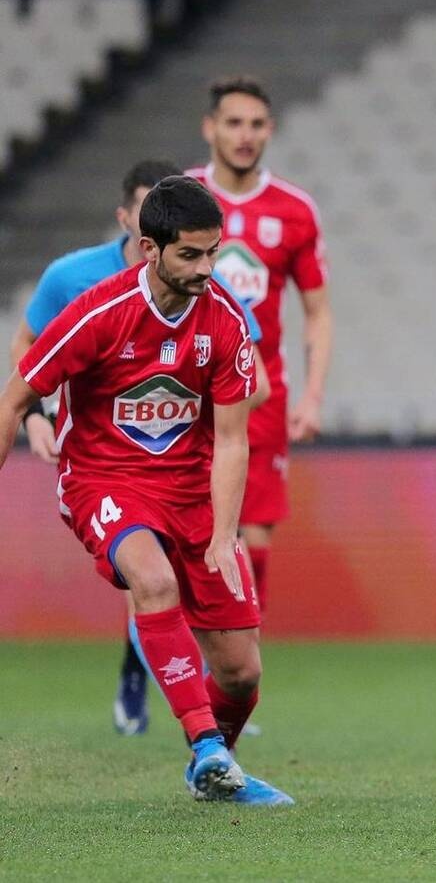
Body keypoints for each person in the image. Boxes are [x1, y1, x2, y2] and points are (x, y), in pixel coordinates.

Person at [0, 175, 291, 805]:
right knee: (152, 582)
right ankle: (206, 745)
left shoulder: (225, 320)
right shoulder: (99, 312)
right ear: (149, 248)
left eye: (213, 252)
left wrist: (220, 533)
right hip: (103, 480)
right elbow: (19, 394)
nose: (207, 268)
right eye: (191, 254)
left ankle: (215, 771)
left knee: (242, 673)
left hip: (191, 491)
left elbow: (234, 439)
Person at [188, 76, 331, 613]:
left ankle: (237, 660)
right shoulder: (181, 199)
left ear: (270, 130)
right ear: (210, 128)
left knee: (257, 537)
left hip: (259, 390)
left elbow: (318, 312)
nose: (244, 136)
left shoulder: (293, 210)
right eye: (233, 123)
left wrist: (312, 396)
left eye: (255, 125)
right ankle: (168, 659)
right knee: (176, 529)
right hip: (187, 393)